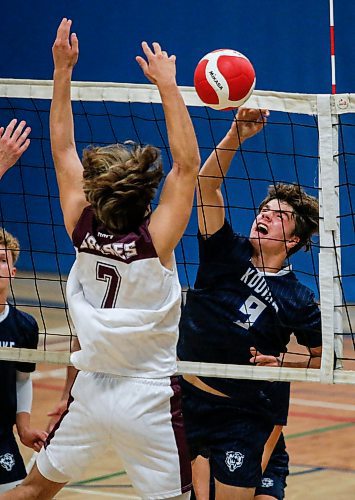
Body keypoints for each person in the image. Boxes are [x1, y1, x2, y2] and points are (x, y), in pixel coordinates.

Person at [0, 17, 200, 500]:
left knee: (31, 491)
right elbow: (187, 164)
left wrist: (62, 70)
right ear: (142, 196)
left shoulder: (79, 226)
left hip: (90, 390)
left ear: (95, 193)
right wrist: (169, 86)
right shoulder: (157, 240)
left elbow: (63, 144)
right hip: (150, 394)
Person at [177, 107, 322, 500]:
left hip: (242, 414)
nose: (265, 216)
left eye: (279, 217)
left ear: (292, 241)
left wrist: (283, 364)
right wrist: (236, 135)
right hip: (185, 401)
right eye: (264, 210)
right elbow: (206, 185)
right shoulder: (225, 251)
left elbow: (324, 359)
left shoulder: (301, 300)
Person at [0, 228, 47, 493]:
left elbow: (22, 380)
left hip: (1, 435)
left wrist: (24, 428)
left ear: (13, 272)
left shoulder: (24, 326)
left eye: (3, 260)